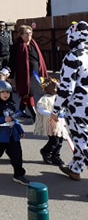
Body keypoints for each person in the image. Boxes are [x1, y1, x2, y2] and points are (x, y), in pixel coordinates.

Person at [51, 21, 88, 181]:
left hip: (79, 107)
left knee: (83, 141)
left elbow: (66, 89)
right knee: (82, 139)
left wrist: (55, 111)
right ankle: (75, 168)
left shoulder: (73, 56)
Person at [0, 80, 30, 186]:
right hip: (0, 136)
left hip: (13, 136)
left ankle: (18, 174)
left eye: (7, 92)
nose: (5, 94)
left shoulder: (11, 105)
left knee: (17, 155)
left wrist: (20, 130)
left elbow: (14, 119)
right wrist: (4, 119)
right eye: (3, 92)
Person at [9, 25, 48, 121]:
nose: (29, 35)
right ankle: (34, 114)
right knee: (27, 92)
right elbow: (12, 61)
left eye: (30, 33)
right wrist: (10, 75)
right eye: (26, 33)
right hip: (23, 73)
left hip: (35, 73)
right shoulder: (17, 46)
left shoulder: (34, 44)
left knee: (27, 93)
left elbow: (39, 58)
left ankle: (21, 110)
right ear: (21, 35)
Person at [34, 78, 66, 166]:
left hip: (59, 123)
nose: (55, 89)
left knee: (60, 141)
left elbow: (63, 107)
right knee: (54, 141)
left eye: (56, 87)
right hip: (50, 124)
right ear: (46, 89)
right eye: (52, 87)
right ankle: (45, 152)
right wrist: (51, 114)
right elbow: (40, 110)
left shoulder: (58, 98)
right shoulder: (44, 99)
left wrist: (63, 112)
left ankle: (55, 156)